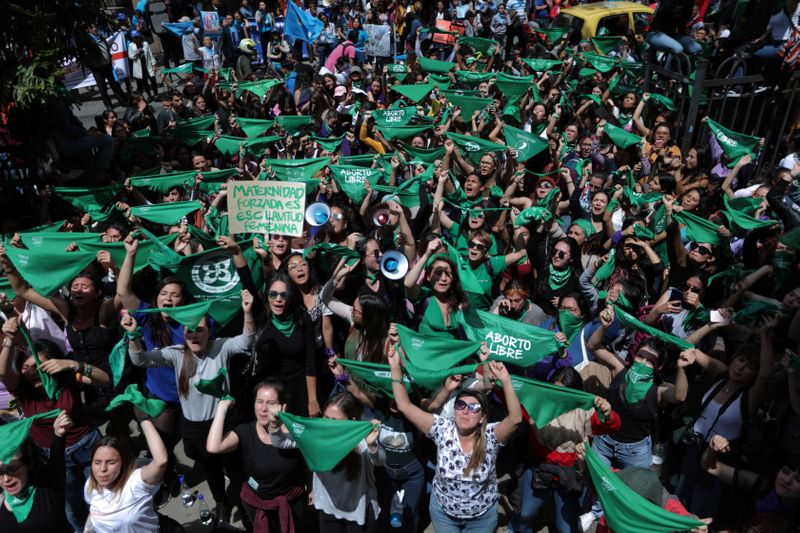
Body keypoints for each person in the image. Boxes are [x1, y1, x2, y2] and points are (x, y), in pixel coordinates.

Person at [123, 290, 256, 523]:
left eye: (199, 330)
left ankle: (247, 508)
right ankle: (221, 503)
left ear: (209, 331)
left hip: (224, 423)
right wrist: (133, 335)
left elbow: (247, 341)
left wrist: (247, 312)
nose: (194, 335)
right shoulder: (176, 354)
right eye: (188, 330)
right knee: (211, 470)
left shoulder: (221, 347)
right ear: (183, 333)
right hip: (194, 427)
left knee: (235, 470)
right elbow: (140, 360)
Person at [388, 340, 522, 532]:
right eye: (460, 405)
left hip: (481, 520)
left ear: (483, 417)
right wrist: (395, 368)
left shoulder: (491, 436)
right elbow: (404, 405)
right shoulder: (442, 428)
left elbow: (515, 419)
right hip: (444, 516)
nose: (466, 411)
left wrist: (506, 380)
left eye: (473, 407)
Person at [270, 391, 384, 532]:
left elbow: (379, 461)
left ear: (351, 421)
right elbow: (280, 442)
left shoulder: (363, 438)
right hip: (328, 510)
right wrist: (274, 424)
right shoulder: (316, 438)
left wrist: (372, 445)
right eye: (326, 417)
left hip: (360, 514)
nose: (328, 424)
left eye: (334, 421)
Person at [206, 379, 307, 532]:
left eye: (271, 403)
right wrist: (221, 408)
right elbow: (213, 447)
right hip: (258, 503)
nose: (263, 408)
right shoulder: (245, 431)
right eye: (259, 401)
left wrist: (311, 487)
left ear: (283, 407)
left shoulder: (295, 432)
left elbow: (307, 462)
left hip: (292, 503)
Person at [83, 416, 168, 532]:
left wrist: (144, 420)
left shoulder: (135, 482)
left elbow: (161, 461)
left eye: (111, 462)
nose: (103, 469)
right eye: (97, 462)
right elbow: (93, 513)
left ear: (124, 462)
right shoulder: (91, 484)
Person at [0, 411, 73, 532]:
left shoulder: (48, 488)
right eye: (0, 473)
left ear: (28, 464)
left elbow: (57, 460)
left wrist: (58, 434)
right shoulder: (2, 498)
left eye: (13, 469)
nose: (6, 478)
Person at [127, 31, 159, 100]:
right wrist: (136, 53)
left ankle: (156, 95)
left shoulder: (145, 44)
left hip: (148, 65)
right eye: (134, 38)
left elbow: (150, 54)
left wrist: (154, 64)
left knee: (153, 80)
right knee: (145, 82)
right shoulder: (131, 45)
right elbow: (130, 56)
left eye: (137, 37)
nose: (136, 39)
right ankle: (149, 95)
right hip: (140, 68)